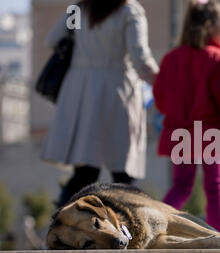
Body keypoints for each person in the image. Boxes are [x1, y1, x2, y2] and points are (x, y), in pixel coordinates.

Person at [41, 0, 159, 207]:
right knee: (123, 171)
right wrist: (164, 83)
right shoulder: (129, 11)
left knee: (85, 170)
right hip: (117, 92)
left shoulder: (80, 9)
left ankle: (62, 219)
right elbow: (140, 57)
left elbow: (52, 40)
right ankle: (131, 223)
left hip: (79, 92)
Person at [153, 0, 220, 234]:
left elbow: (161, 102)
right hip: (212, 132)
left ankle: (151, 226)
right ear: (209, 25)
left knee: (180, 188)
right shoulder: (217, 58)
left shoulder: (171, 58)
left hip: (181, 132)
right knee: (215, 190)